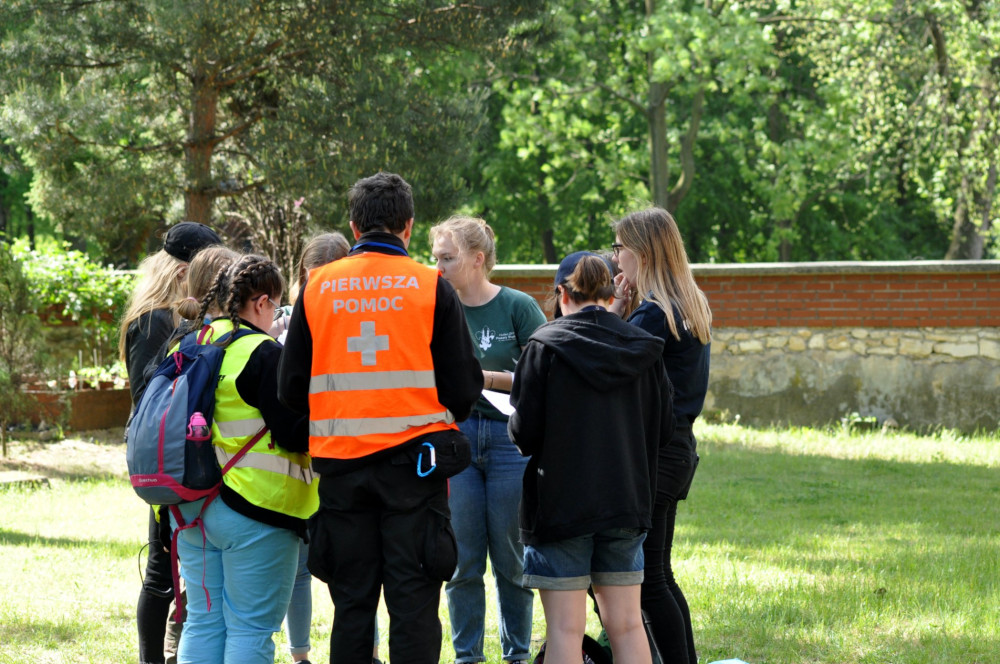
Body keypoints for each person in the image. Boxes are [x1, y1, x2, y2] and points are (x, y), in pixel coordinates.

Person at [277, 171, 483, 664]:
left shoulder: (317, 288)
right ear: (408, 227)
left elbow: (290, 390)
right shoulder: (430, 287)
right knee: (413, 606)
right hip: (416, 471)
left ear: (353, 227)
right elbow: (464, 388)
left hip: (342, 473)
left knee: (352, 607)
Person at [508, 252, 673, 664]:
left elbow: (523, 433)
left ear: (561, 293)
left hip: (561, 504)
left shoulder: (543, 347)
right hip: (627, 499)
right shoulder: (647, 348)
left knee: (565, 630)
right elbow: (665, 429)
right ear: (611, 290)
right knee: (628, 624)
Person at [171, 254, 318, 664]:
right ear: (261, 302)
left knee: (203, 623)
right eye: (276, 307)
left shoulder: (192, 342)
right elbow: (294, 434)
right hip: (256, 511)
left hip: (191, 507)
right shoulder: (263, 351)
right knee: (251, 628)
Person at [429, 216, 544, 664]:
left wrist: (488, 378)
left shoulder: (517, 307)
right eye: (434, 257)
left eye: (447, 257)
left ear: (478, 260)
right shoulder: (435, 307)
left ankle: (516, 655)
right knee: (462, 564)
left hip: (509, 442)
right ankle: (467, 658)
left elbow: (545, 374)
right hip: (454, 441)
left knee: (514, 563)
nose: (437, 266)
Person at [610, 208, 711, 664]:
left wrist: (613, 308)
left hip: (654, 456)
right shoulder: (686, 304)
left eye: (619, 248)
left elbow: (601, 353)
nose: (615, 260)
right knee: (661, 575)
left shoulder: (655, 313)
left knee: (649, 581)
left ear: (642, 251)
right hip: (675, 451)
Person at [119, 221, 221, 664]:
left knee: (179, 564)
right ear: (183, 273)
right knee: (162, 566)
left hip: (179, 452)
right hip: (166, 456)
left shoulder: (169, 315)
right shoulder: (153, 320)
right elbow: (148, 396)